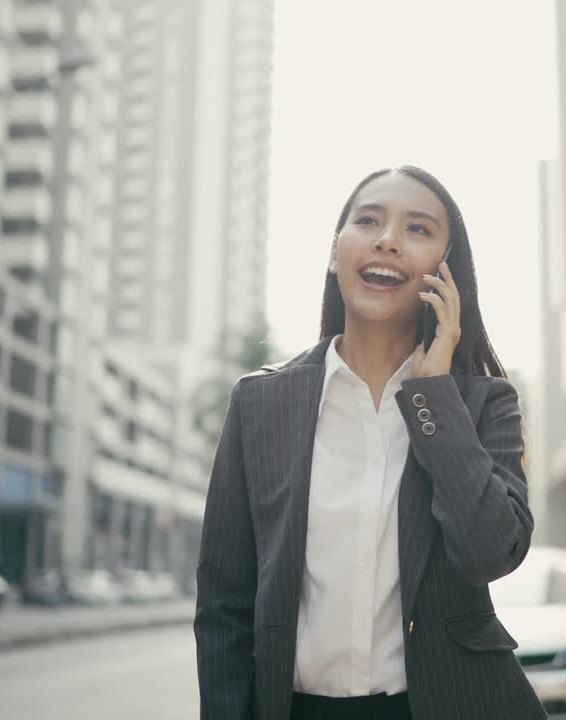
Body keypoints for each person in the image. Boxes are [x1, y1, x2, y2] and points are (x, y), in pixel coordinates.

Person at [195, 166, 543, 720]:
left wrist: (433, 395)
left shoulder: (483, 405)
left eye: (418, 229)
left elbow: (489, 554)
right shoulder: (259, 404)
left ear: (445, 272)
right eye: (368, 221)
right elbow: (224, 605)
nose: (387, 239)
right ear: (337, 252)